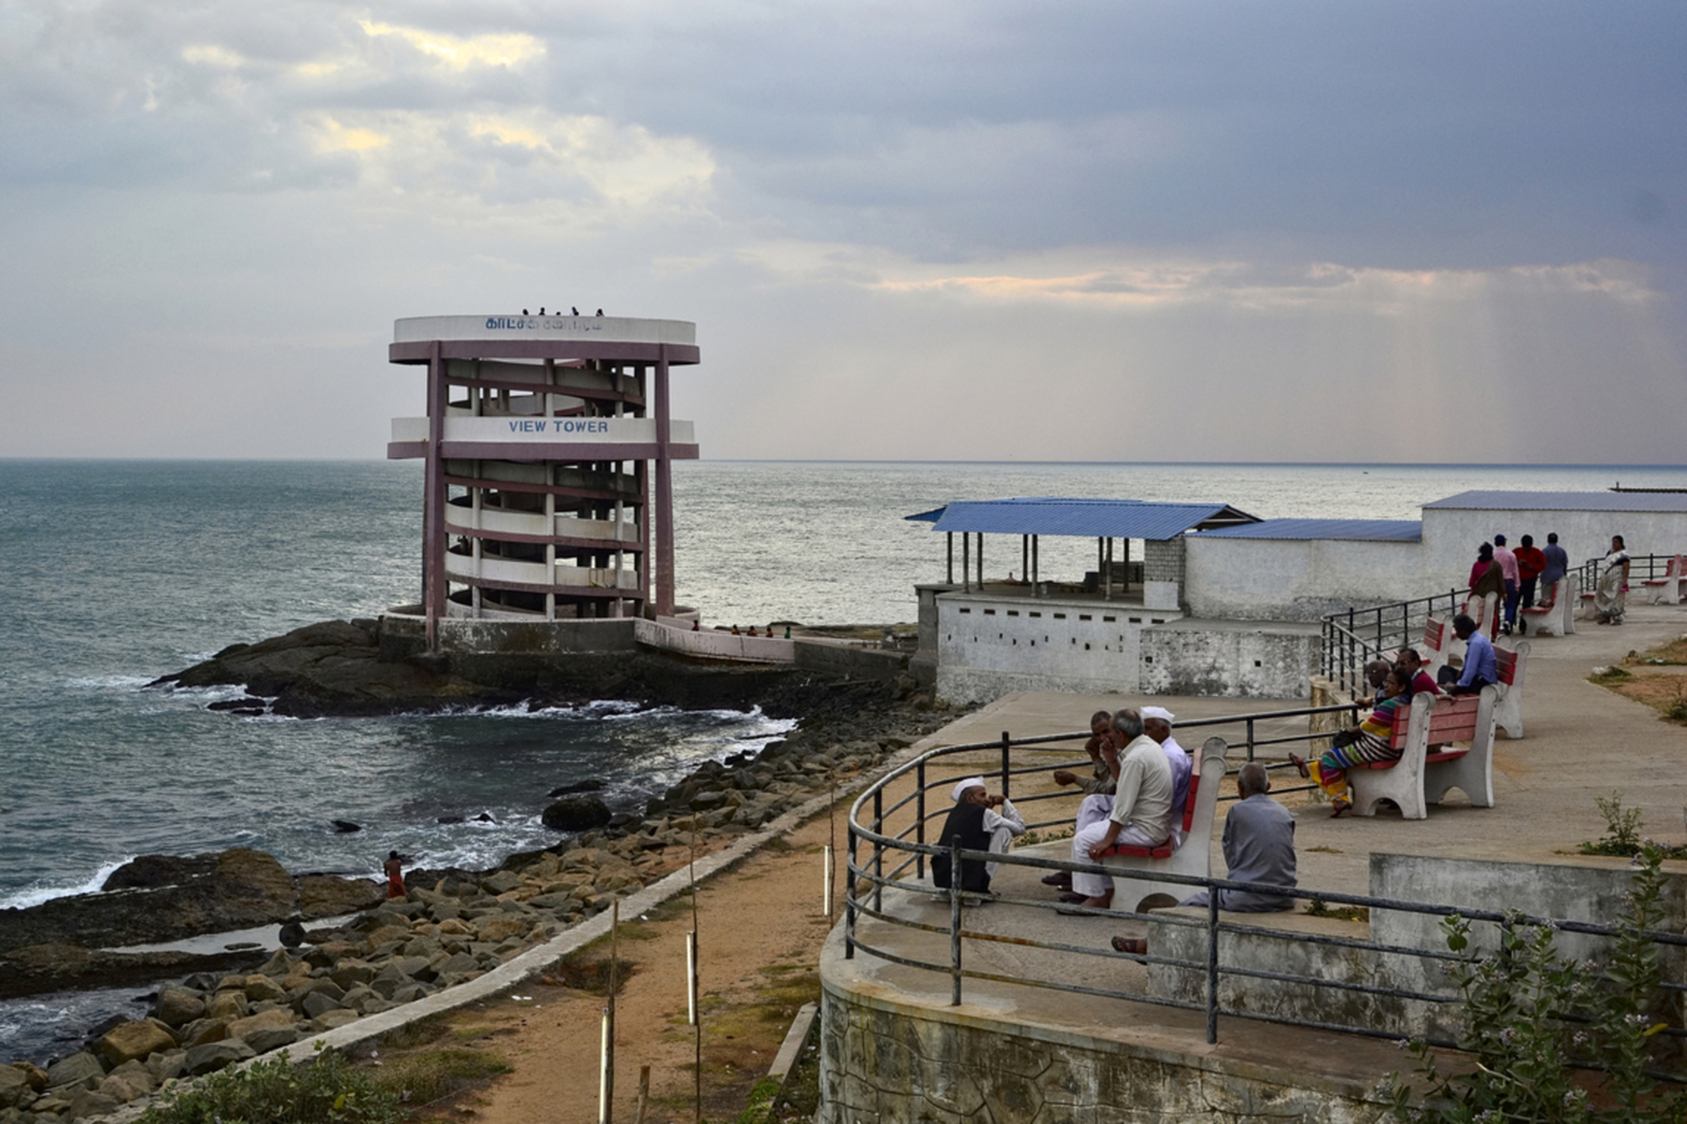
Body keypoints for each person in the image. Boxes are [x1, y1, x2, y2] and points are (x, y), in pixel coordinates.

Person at [1111, 763, 1297, 953]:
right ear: (1268, 787)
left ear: (1240, 787)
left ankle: (1148, 945)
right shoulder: (1285, 812)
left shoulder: (1237, 811)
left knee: (1189, 903)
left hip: (1246, 896)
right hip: (1285, 896)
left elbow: (1231, 854)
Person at [1067, 709, 1174, 910]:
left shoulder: (1135, 758)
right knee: (1091, 829)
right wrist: (1110, 758)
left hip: (1145, 829)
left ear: (1121, 735)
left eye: (1111, 733)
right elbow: (1123, 782)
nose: (1108, 738)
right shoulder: (1147, 746)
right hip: (1153, 824)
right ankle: (1103, 890)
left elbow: (1123, 809)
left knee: (1082, 841)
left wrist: (1107, 840)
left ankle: (1096, 896)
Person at [1289, 670, 1412, 817]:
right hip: (1391, 748)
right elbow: (1379, 708)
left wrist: (1349, 730)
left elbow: (1368, 725)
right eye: (1386, 682)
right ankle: (1307, 768)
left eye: (1391, 683)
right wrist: (1370, 702)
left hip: (1378, 749)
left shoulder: (1390, 705)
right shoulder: (1405, 701)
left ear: (1401, 687)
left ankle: (1339, 799)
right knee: (1335, 758)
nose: (1386, 686)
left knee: (1329, 757)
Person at [931, 777, 1025, 895]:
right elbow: (1020, 828)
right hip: (970, 881)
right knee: (1004, 831)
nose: (986, 799)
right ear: (970, 798)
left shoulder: (954, 812)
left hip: (943, 879)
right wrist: (1004, 801)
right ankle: (980, 887)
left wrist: (986, 810)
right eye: (982, 795)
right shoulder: (984, 813)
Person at [1439, 613, 1497, 695]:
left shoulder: (1476, 644)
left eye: (1457, 630)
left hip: (1483, 682)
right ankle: (1447, 689)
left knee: (1447, 679)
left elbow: (1470, 671)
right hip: (1479, 677)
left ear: (1464, 630)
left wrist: (1457, 686)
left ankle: (1448, 695)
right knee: (1445, 670)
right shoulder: (1478, 638)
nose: (1456, 634)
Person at [1467, 543, 1504, 636]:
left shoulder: (1476, 565)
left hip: (1478, 594)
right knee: (1492, 614)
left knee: (1478, 615)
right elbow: (1500, 581)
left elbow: (1472, 583)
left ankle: (1478, 633)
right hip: (1493, 594)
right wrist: (1504, 593)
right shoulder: (1496, 565)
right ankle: (1493, 634)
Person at [1595, 535, 1632, 625]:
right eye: (1613, 542)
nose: (1614, 544)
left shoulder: (1624, 554)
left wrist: (1625, 579)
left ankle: (1617, 618)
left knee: (1615, 597)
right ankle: (1605, 616)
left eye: (1616, 542)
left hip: (1617, 578)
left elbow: (1626, 567)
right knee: (1602, 597)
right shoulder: (1609, 553)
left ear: (1621, 543)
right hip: (1606, 579)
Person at [1492, 534, 1521, 635]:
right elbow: (1515, 571)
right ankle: (1508, 621)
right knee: (1510, 604)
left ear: (1495, 543)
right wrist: (1517, 585)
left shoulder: (1493, 555)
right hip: (1508, 581)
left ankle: (1496, 624)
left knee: (1495, 604)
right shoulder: (1511, 555)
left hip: (1495, 582)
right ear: (1504, 542)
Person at [1515, 534, 1546, 615]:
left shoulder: (1537, 552)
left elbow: (1542, 565)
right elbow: (1510, 564)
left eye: (1527, 547)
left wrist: (1532, 567)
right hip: (1518, 581)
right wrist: (1518, 564)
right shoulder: (1516, 551)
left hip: (1530, 581)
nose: (1526, 549)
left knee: (1527, 602)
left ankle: (1524, 623)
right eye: (1524, 547)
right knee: (1515, 602)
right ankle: (1511, 622)